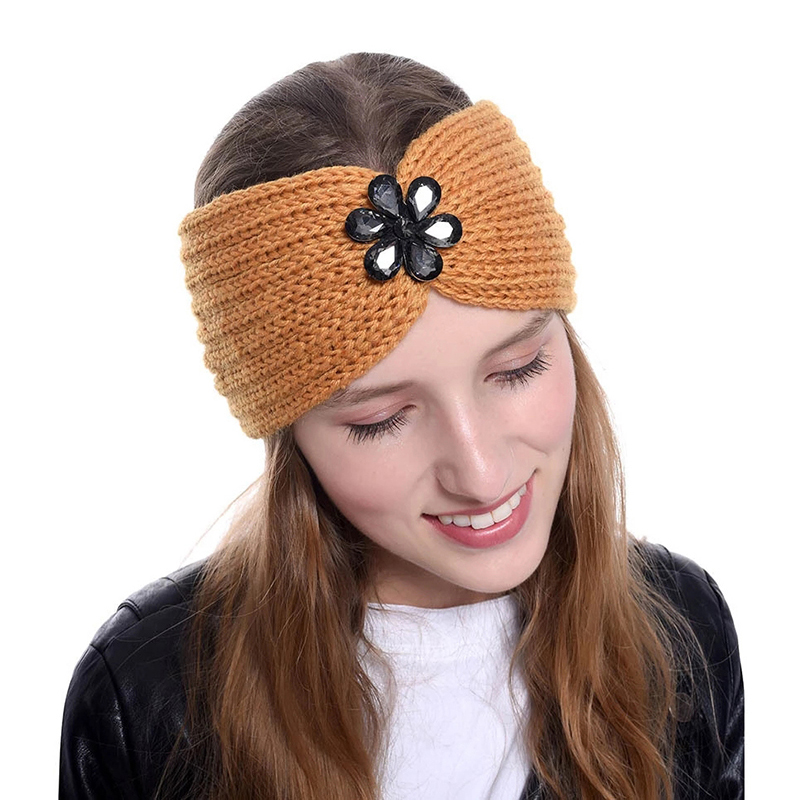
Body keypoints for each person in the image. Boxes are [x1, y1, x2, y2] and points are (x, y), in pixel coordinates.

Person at [59, 53, 743, 800]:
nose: (480, 473)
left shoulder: (682, 634)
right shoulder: (147, 699)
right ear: (289, 437)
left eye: (517, 370)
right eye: (380, 420)